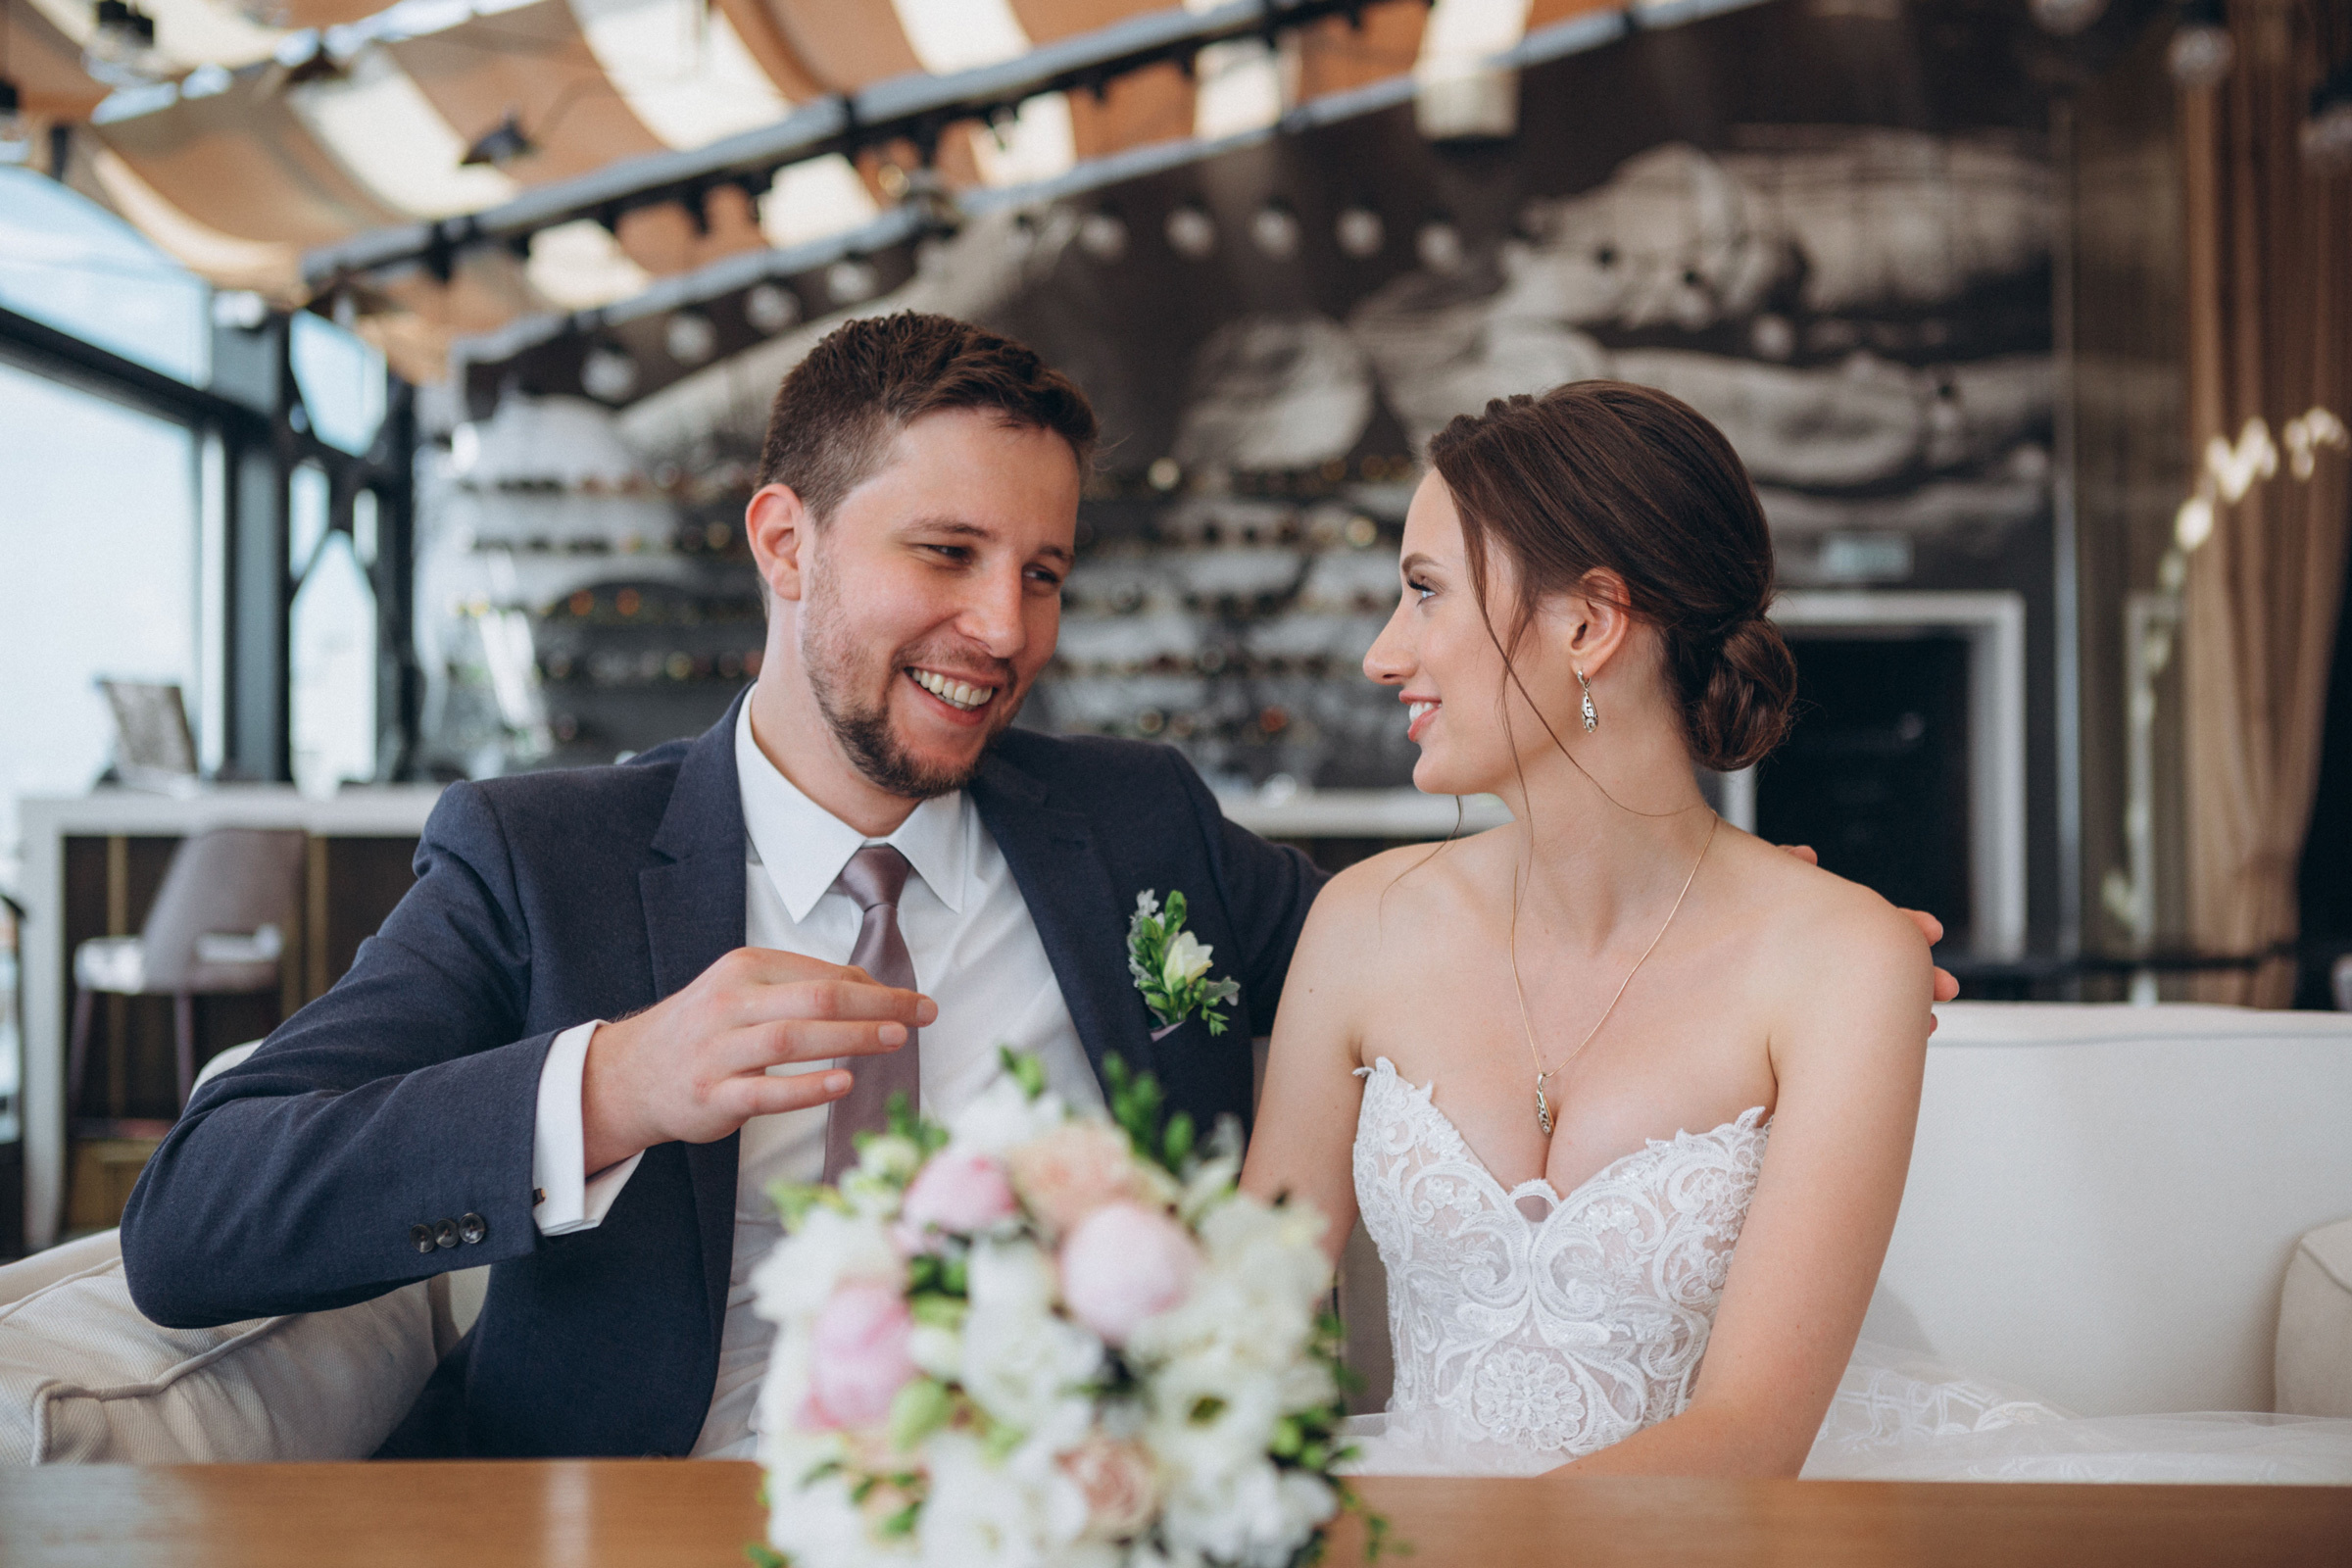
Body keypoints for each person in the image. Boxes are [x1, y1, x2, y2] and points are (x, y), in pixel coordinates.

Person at [119, 314, 1325, 1458]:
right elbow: (193, 1224)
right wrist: (614, 1084)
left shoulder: (1140, 825)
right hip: (653, 1515)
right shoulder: (542, 858)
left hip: (1046, 1510)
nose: (1006, 628)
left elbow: (1399, 958)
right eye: (949, 553)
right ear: (784, 542)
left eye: (1044, 573)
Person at [1238, 380, 2352, 1483]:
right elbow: (1237, 1334)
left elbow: (1749, 1435)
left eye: (1425, 592)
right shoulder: (1361, 923)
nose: (1384, 655)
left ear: (1587, 624)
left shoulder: (1842, 960)